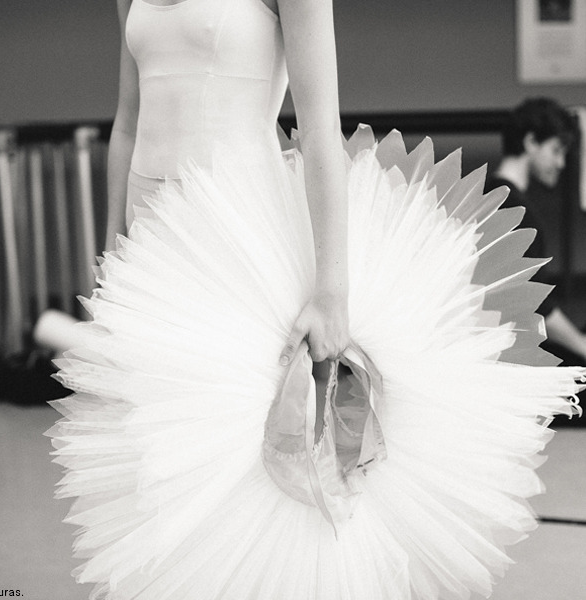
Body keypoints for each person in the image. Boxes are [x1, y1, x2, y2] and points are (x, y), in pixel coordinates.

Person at [46, 2, 584, 599]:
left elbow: (322, 127)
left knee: (250, 464)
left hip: (237, 236)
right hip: (153, 246)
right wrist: (112, 260)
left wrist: (333, 294)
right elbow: (128, 121)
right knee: (163, 458)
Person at [485, 98, 586, 365]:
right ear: (531, 142)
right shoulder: (514, 208)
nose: (562, 163)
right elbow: (534, 303)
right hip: (498, 352)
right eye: (556, 150)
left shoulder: (484, 195)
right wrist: (582, 345)